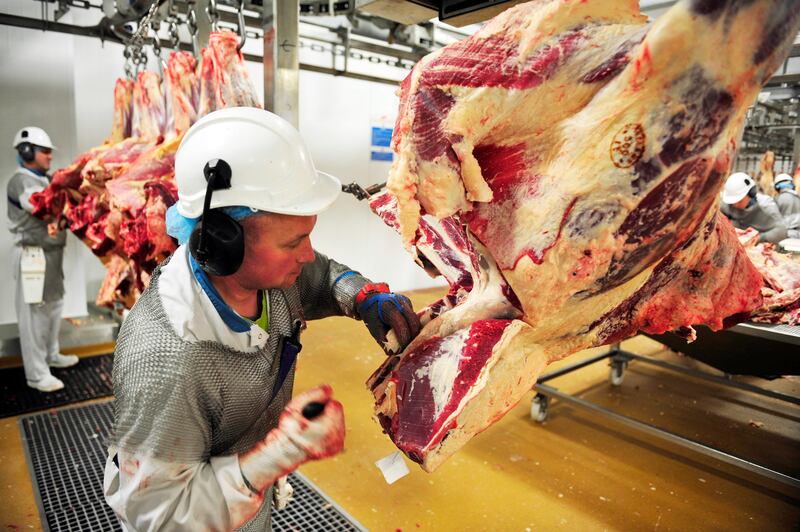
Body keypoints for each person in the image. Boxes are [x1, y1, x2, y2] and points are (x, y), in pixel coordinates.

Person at [103, 107, 422, 531]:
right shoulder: (166, 356)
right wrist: (277, 455)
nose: (306, 254)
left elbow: (320, 274)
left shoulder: (269, 276)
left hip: (249, 501)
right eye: (293, 242)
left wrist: (363, 297)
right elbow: (158, 515)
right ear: (223, 244)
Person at [6, 127, 78, 393]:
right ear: (26, 152)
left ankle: (51, 355)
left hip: (52, 253)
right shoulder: (21, 181)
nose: (50, 156)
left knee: (54, 306)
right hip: (33, 255)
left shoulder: (46, 179)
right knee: (34, 315)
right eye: (45, 151)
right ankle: (36, 375)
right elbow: (41, 207)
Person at [720, 172, 788, 244]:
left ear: (751, 193)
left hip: (758, 246)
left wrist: (758, 238)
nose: (735, 205)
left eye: (739, 201)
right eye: (732, 202)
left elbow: (782, 232)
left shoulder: (766, 206)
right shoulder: (726, 204)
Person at [773, 173, 800, 238]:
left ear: (777, 187)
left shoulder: (778, 199)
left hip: (784, 234)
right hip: (798, 234)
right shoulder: (798, 198)